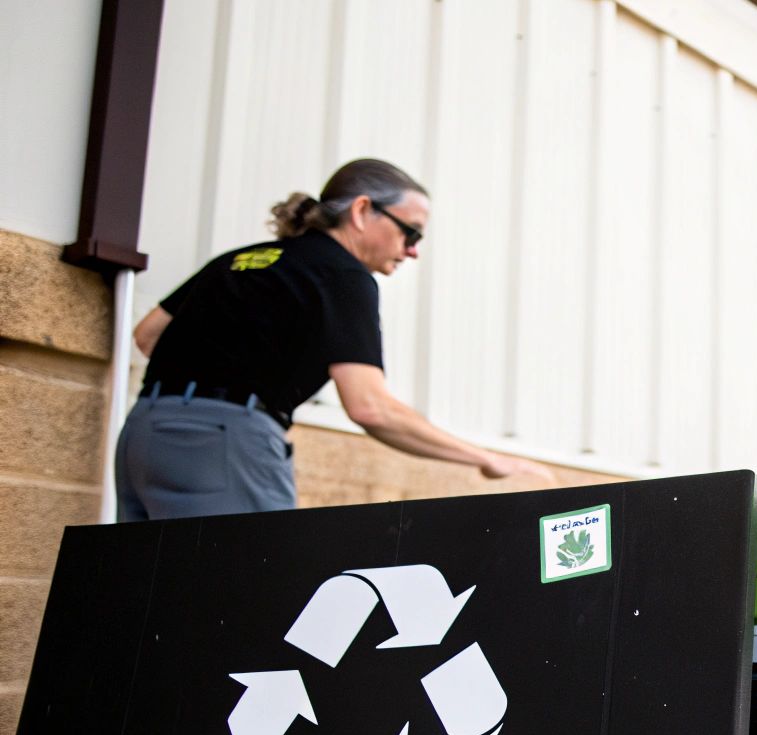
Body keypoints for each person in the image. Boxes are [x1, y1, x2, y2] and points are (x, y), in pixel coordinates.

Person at [117, 158, 551, 521]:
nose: (413, 250)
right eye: (411, 232)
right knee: (250, 602)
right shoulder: (345, 276)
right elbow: (370, 407)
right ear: (363, 211)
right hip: (224, 444)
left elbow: (147, 334)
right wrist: (488, 459)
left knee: (156, 603)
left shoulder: (238, 260)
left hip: (143, 435)